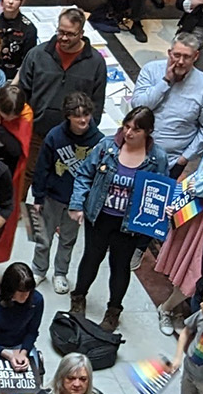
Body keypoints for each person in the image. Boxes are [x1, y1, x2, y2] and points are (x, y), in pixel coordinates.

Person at [69, 105, 170, 331]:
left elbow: (160, 193)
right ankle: (78, 297)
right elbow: (85, 174)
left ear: (148, 132)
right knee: (91, 259)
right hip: (100, 216)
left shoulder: (157, 158)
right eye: (126, 126)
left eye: (136, 129)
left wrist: (162, 212)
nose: (129, 133)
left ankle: (114, 310)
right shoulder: (107, 147)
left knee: (120, 266)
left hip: (129, 225)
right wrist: (77, 204)